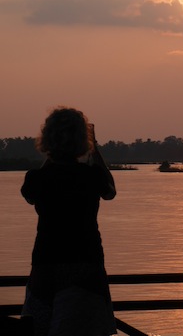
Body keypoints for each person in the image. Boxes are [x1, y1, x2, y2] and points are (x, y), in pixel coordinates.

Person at [21, 107, 117, 336]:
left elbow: (30, 194)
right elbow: (110, 191)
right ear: (83, 140)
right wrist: (95, 150)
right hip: (85, 268)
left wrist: (52, 157)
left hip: (46, 267)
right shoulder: (91, 176)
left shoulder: (38, 178)